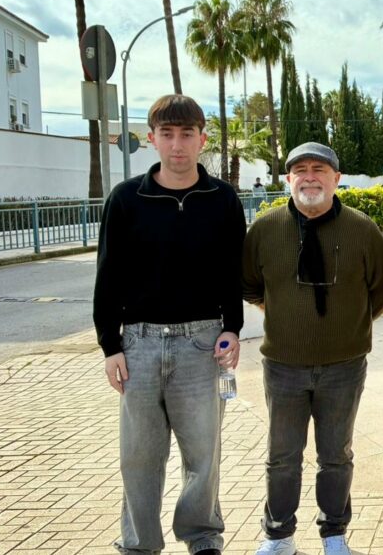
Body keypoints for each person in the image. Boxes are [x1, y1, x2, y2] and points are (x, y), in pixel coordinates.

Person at [93, 94, 245, 555]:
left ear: (202, 139)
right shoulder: (126, 199)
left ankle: (202, 538)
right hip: (137, 344)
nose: (177, 145)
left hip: (201, 343)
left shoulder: (221, 199)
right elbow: (108, 276)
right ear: (152, 139)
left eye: (186, 134)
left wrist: (232, 328)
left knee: (203, 454)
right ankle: (139, 544)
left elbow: (232, 272)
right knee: (139, 457)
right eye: (167, 134)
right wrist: (109, 346)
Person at [242, 142, 383, 555]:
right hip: (283, 366)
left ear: (336, 178)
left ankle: (333, 533)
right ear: (288, 178)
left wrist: (348, 327)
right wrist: (286, 317)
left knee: (336, 455)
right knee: (282, 456)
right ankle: (279, 535)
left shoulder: (362, 229)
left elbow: (380, 290)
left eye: (319, 170)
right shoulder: (265, 230)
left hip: (344, 366)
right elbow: (251, 285)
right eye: (301, 170)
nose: (310, 177)